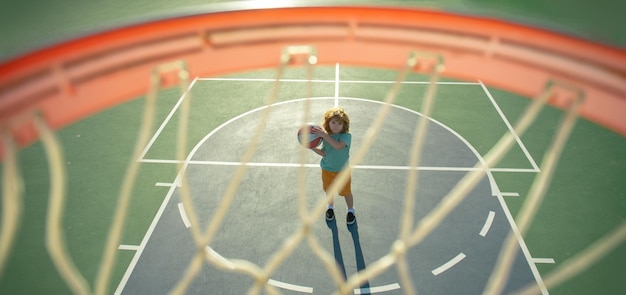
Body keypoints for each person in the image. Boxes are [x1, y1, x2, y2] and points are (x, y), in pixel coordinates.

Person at [312, 107, 355, 225]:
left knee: (346, 192)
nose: (336, 125)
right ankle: (330, 207)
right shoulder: (326, 136)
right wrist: (312, 147)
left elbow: (338, 146)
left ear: (344, 125)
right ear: (328, 123)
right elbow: (324, 153)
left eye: (339, 123)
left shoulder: (346, 136)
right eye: (333, 122)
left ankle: (350, 210)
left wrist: (324, 135)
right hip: (327, 169)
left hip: (342, 171)